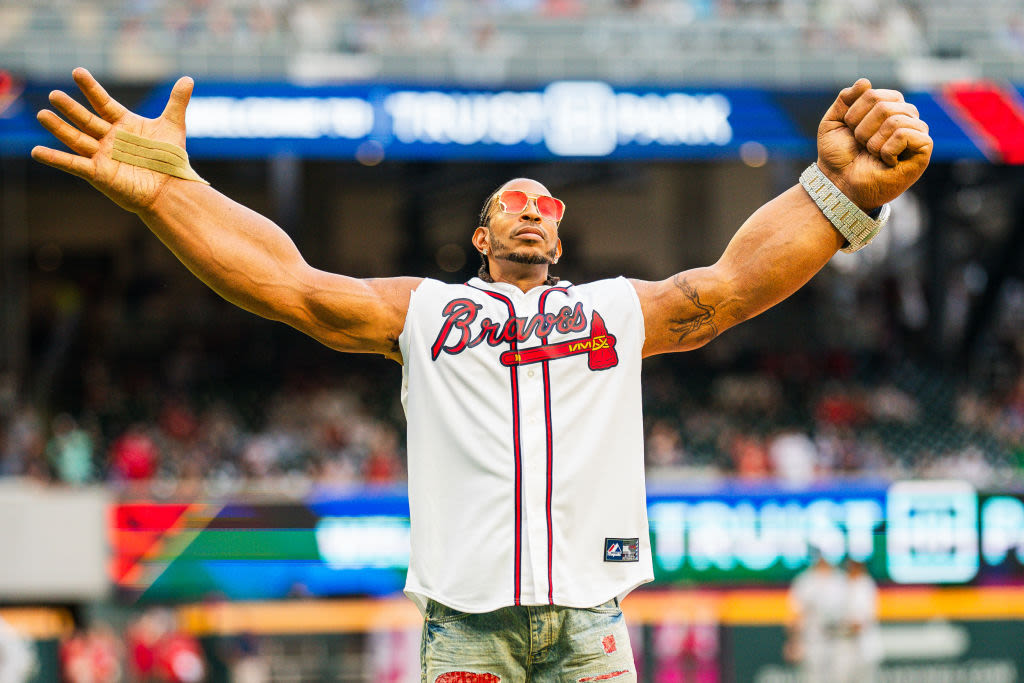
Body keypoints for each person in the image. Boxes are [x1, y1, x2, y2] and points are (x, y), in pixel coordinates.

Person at [32, 68, 932, 682]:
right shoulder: (425, 311)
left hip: (592, 613)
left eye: (547, 207)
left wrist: (837, 191)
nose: (532, 212)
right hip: (465, 618)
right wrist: (172, 194)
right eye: (512, 205)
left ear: (562, 238)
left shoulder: (611, 309)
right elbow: (295, 287)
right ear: (481, 236)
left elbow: (724, 291)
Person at [785, 550, 848, 683]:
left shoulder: (842, 580)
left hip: (841, 643)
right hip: (812, 643)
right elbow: (794, 616)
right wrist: (793, 642)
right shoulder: (805, 581)